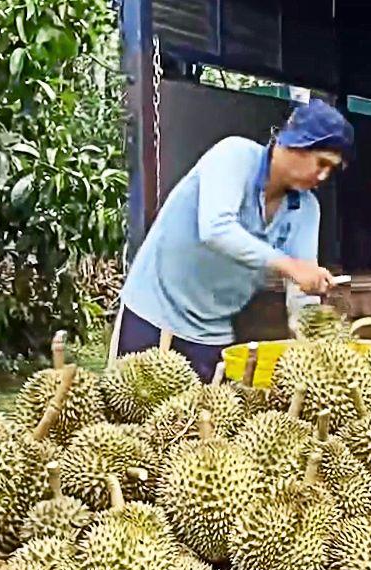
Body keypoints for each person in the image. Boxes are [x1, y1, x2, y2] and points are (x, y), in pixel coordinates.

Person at [116, 99, 353, 380]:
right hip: (154, 312)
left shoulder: (306, 209)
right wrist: (289, 265)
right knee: (133, 417)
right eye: (321, 163)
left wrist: (313, 335)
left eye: (332, 169)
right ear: (295, 144)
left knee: (204, 420)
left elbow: (300, 288)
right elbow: (216, 229)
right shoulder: (234, 157)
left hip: (211, 331)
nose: (324, 176)